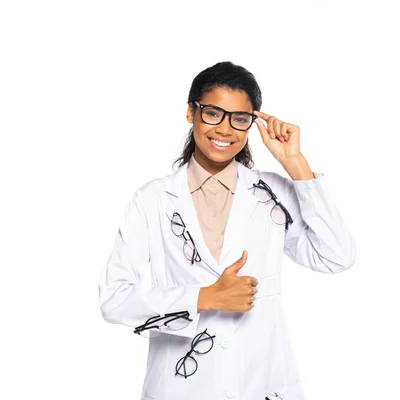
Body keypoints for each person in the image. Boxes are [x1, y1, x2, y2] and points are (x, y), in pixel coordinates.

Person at [97, 61, 355, 400]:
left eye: (240, 119)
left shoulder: (272, 193)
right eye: (213, 113)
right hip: (180, 386)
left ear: (252, 123)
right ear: (191, 113)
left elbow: (336, 256)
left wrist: (295, 163)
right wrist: (203, 297)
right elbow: (114, 299)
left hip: (260, 382)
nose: (225, 129)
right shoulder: (153, 200)